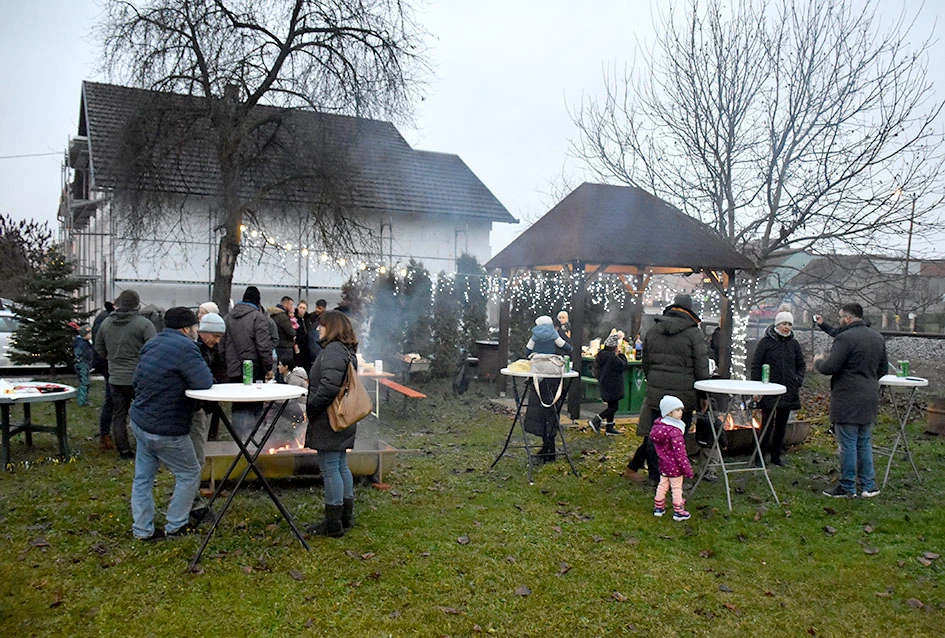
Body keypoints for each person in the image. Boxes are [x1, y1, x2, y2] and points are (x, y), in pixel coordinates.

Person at [129, 307, 213, 541]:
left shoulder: (153, 343)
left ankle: (142, 529)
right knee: (189, 472)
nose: (197, 331)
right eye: (195, 327)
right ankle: (176, 525)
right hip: (166, 427)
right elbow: (204, 383)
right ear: (187, 328)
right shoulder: (187, 348)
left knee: (143, 478)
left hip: (140, 421)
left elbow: (136, 380)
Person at [624, 294, 710, 485]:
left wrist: (653, 381)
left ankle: (655, 477)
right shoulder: (694, 333)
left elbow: (645, 363)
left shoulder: (654, 330)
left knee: (656, 437)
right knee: (678, 438)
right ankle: (672, 477)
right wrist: (703, 396)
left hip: (657, 395)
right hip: (683, 397)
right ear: (690, 310)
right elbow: (701, 369)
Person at [814, 302, 887, 498]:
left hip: (847, 398)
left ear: (847, 318)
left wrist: (818, 361)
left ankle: (847, 486)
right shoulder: (877, 337)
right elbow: (883, 370)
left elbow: (830, 366)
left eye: (840, 317)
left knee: (847, 444)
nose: (839, 321)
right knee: (863, 442)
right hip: (869, 397)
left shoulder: (845, 338)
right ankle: (869, 486)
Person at [304, 310, 360, 537]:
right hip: (343, 416)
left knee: (330, 468)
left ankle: (333, 523)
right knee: (340, 465)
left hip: (330, 418)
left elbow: (329, 387)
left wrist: (311, 407)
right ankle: (346, 516)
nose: (319, 329)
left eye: (322, 325)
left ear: (333, 327)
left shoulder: (334, 351)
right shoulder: (345, 350)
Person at [94, 289, 157, 459]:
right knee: (145, 412)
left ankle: (123, 449)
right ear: (137, 304)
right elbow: (154, 349)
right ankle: (147, 446)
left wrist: (112, 359)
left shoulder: (106, 323)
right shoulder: (144, 324)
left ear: (120, 303)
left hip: (115, 377)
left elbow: (99, 348)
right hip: (139, 377)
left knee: (119, 414)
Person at [750, 310, 806, 466]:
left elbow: (801, 365)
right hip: (768, 390)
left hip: (788, 390)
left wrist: (797, 381)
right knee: (766, 424)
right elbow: (756, 365)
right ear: (777, 324)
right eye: (784, 324)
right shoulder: (765, 343)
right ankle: (760, 456)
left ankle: (776, 456)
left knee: (781, 425)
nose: (786, 327)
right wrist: (756, 387)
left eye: (789, 324)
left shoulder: (793, 344)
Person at [222, 286, 274, 440]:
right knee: (254, 404)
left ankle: (238, 441)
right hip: (253, 369)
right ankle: (252, 441)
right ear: (258, 301)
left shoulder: (228, 317)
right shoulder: (258, 318)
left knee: (238, 404)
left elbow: (222, 345)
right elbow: (263, 346)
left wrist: (228, 364)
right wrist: (268, 367)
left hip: (233, 369)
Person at [189, 311, 226, 524]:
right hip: (195, 408)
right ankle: (193, 506)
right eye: (216, 336)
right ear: (204, 332)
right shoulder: (195, 351)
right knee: (195, 456)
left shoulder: (208, 350)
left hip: (202, 406)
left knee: (197, 455)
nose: (218, 341)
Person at [524, 315, 573, 463]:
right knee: (552, 411)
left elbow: (527, 351)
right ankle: (549, 446)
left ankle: (547, 446)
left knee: (541, 410)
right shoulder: (554, 333)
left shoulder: (535, 335)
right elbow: (567, 347)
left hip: (538, 376)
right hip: (553, 376)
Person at [650, 395, 693, 521]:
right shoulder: (675, 432)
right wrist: (687, 469)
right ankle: (678, 511)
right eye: (677, 410)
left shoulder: (658, 428)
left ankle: (658, 507)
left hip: (663, 463)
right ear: (669, 412)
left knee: (662, 484)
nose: (681, 413)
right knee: (676, 488)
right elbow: (680, 453)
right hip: (675, 466)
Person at [587, 333, 628, 436]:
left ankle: (610, 427)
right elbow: (623, 365)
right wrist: (622, 355)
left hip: (605, 384)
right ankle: (597, 419)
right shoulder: (613, 358)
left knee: (612, 404)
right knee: (614, 407)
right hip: (613, 385)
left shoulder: (602, 355)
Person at [91, 301, 115, 449]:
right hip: (108, 364)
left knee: (111, 400)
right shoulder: (108, 320)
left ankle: (105, 434)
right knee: (111, 400)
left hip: (105, 363)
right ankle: (105, 435)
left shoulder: (103, 317)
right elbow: (100, 344)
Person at [270, 295, 297, 366]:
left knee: (280, 367)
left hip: (279, 345)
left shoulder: (274, 315)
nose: (292, 307)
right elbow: (291, 332)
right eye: (291, 305)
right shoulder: (283, 317)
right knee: (286, 368)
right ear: (285, 304)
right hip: (286, 346)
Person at [72, 325, 93, 407]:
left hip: (82, 364)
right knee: (84, 382)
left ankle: (84, 399)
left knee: (84, 382)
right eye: (89, 334)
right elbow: (86, 355)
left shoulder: (82, 343)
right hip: (82, 365)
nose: (90, 336)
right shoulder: (82, 344)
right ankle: (82, 401)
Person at [295, 300, 311, 373]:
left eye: (304, 308)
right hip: (297, 345)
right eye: (300, 307)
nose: (301, 310)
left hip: (306, 346)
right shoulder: (294, 319)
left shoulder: (308, 319)